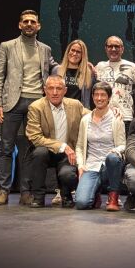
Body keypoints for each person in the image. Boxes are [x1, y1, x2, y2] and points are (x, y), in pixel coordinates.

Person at [0, 9, 57, 206]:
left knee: (32, 149)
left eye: (33, 22)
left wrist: (80, 66)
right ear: (20, 25)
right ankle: (3, 191)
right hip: (12, 102)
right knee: (6, 148)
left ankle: (26, 192)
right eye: (25, 21)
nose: (29, 24)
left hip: (37, 103)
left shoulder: (45, 49)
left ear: (38, 26)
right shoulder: (7, 46)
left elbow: (54, 67)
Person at [24, 75, 88, 208]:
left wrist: (111, 111)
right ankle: (38, 196)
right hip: (46, 152)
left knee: (67, 174)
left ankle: (66, 195)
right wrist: (62, 146)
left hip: (67, 154)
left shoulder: (75, 105)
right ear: (44, 90)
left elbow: (93, 115)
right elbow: (35, 137)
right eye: (51, 88)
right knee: (39, 153)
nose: (54, 92)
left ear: (65, 90)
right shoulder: (36, 107)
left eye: (58, 88)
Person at [74, 82, 126, 211]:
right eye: (96, 94)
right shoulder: (85, 120)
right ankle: (95, 191)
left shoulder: (116, 118)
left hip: (109, 166)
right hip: (91, 165)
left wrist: (115, 151)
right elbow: (80, 146)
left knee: (113, 158)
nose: (99, 98)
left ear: (109, 98)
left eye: (103, 95)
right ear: (92, 97)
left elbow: (122, 145)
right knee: (81, 203)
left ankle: (113, 196)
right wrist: (80, 165)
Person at [95, 36, 135, 133]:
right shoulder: (100, 66)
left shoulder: (132, 66)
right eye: (110, 46)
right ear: (106, 48)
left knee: (124, 147)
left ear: (122, 49)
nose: (113, 49)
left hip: (125, 116)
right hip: (103, 116)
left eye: (117, 46)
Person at [53, 39, 96, 109]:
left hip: (79, 112)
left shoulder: (89, 73)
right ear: (68, 51)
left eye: (78, 52)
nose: (74, 53)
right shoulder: (56, 70)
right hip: (59, 111)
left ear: (83, 55)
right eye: (72, 50)